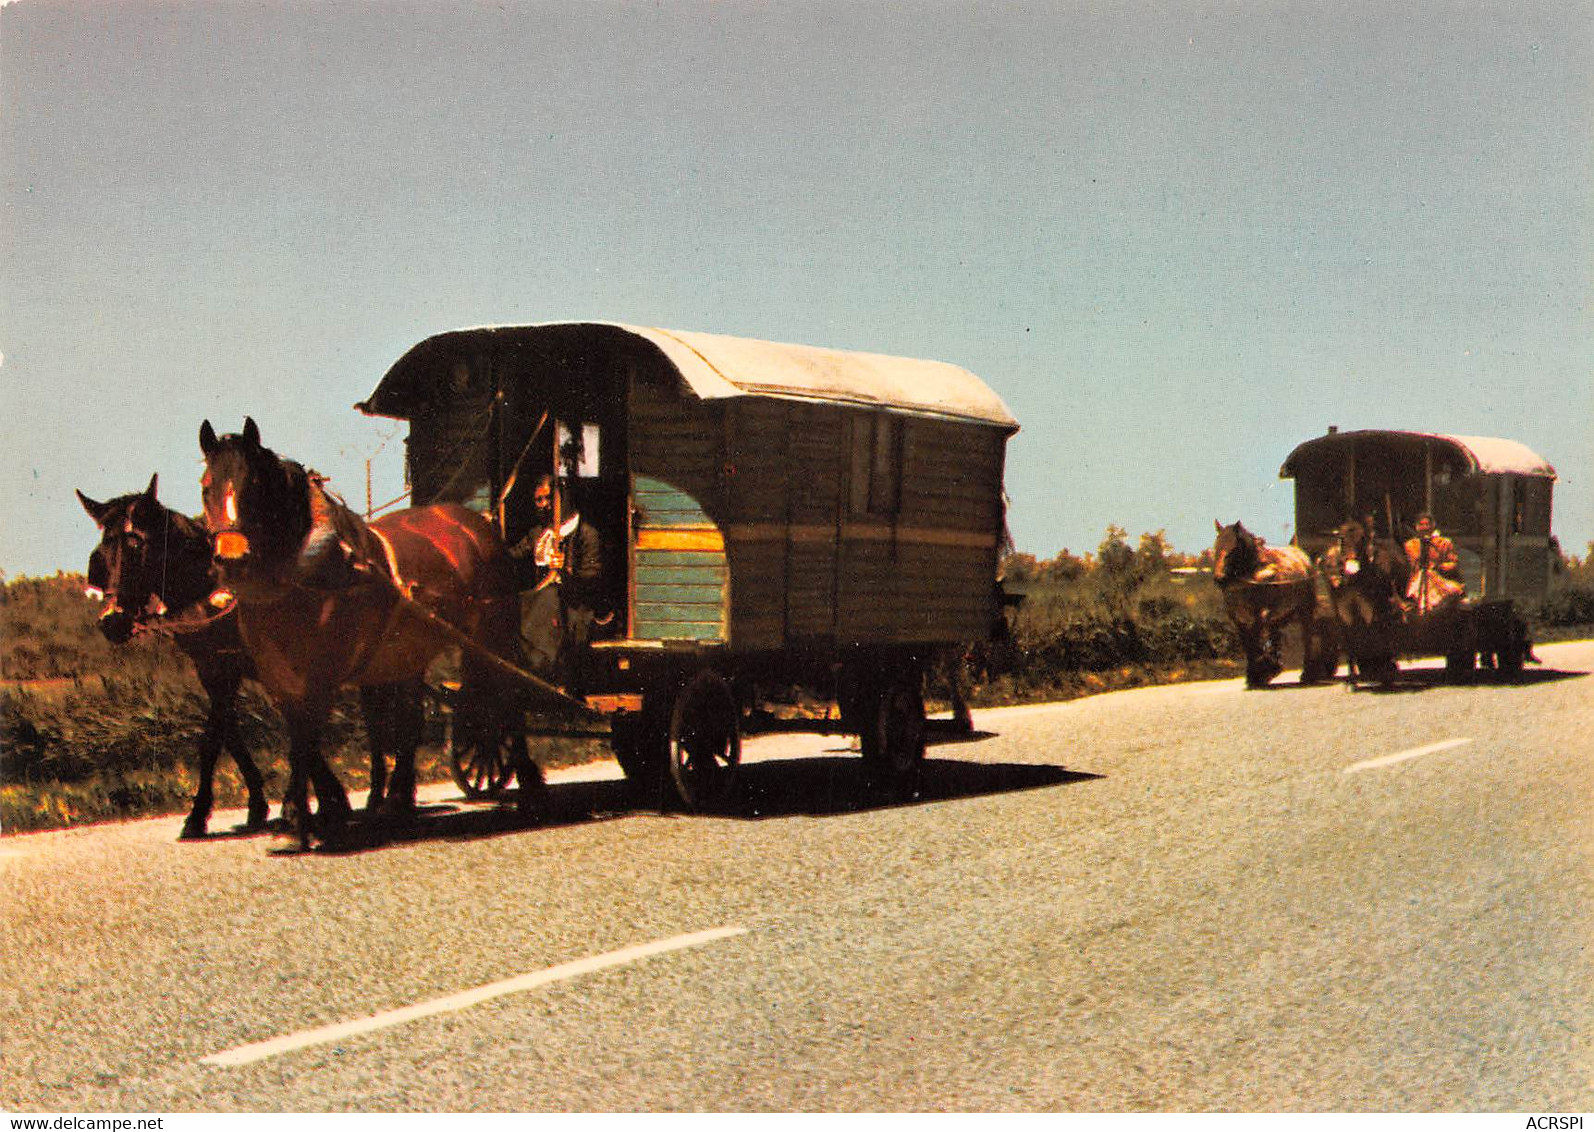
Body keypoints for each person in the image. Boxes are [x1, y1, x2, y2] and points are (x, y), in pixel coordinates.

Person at [508, 475, 604, 683]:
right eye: (538, 500)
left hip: (574, 608)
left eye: (548, 498)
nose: (543, 505)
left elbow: (591, 579)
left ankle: (541, 666)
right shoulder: (538, 534)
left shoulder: (585, 534)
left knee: (547, 600)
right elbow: (512, 555)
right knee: (523, 603)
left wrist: (565, 573)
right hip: (544, 603)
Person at [1404, 512, 1464, 614]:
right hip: (1417, 581)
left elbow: (1453, 563)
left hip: (1439, 579)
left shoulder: (1444, 543)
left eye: (1427, 524)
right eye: (1421, 525)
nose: (1424, 527)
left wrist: (1439, 566)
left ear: (1432, 525)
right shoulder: (1410, 545)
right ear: (1417, 527)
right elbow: (1410, 565)